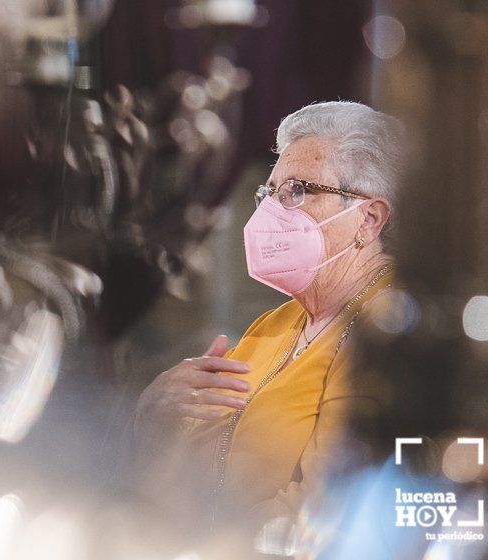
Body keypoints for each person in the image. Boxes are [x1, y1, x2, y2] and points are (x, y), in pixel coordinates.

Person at [123, 101, 404, 533]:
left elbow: (325, 511)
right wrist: (153, 416)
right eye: (269, 193)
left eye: (296, 190)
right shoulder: (273, 326)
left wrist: (202, 542)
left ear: (368, 219)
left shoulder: (384, 330)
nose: (270, 212)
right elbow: (175, 475)